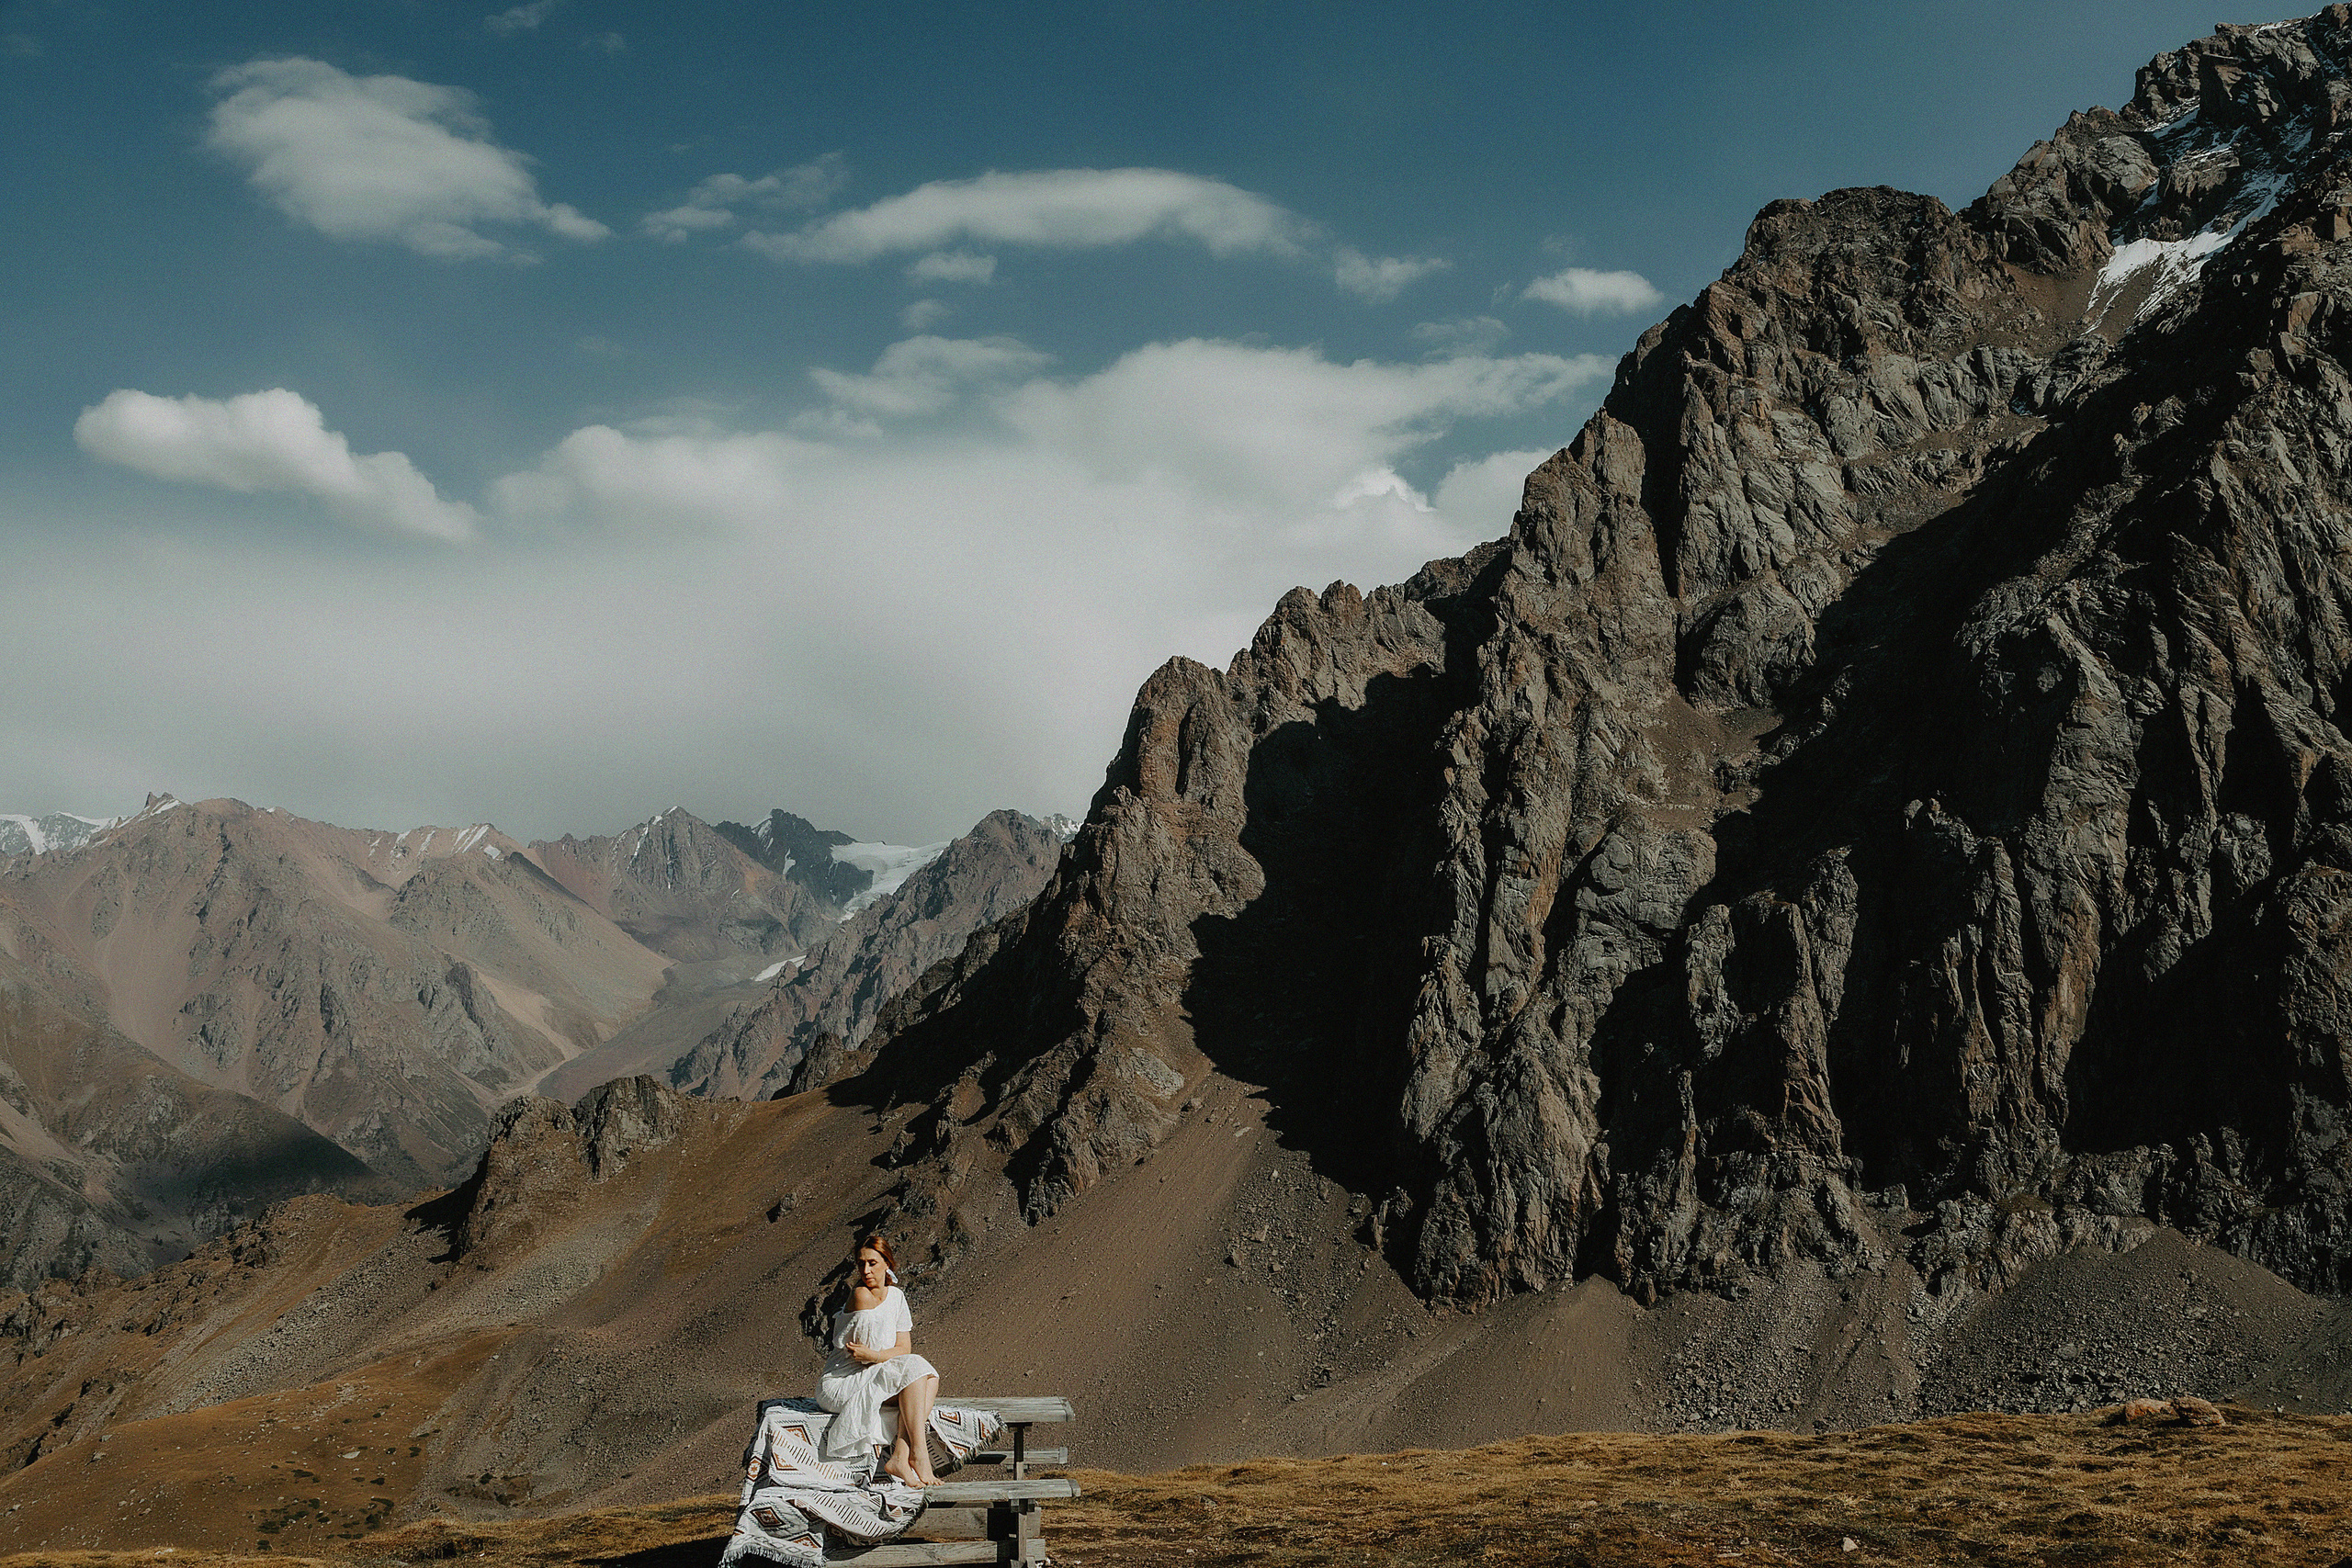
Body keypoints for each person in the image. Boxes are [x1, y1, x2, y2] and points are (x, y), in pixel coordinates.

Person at [813, 1234, 943, 1487]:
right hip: (842, 1382)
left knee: (928, 1378)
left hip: (876, 1369)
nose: (865, 1270)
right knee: (917, 1373)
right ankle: (918, 1455)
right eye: (861, 1264)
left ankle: (901, 1456)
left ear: (887, 1263)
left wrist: (876, 1356)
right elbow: (861, 1356)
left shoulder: (897, 1297)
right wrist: (877, 1356)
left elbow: (903, 1348)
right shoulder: (860, 1295)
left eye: (872, 1263)